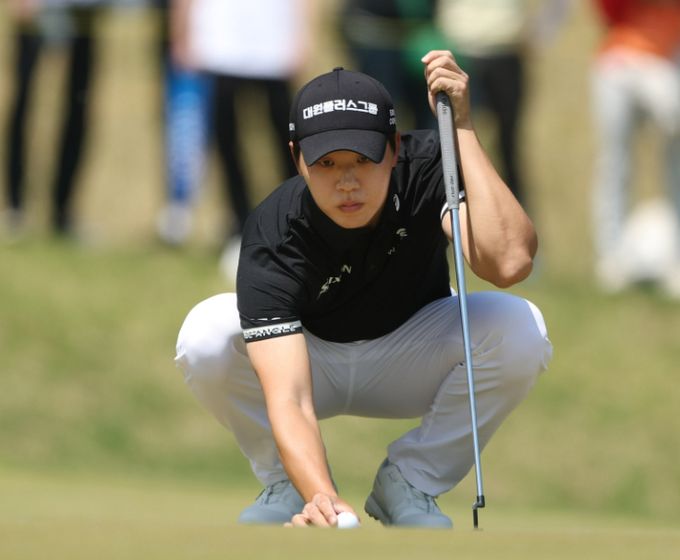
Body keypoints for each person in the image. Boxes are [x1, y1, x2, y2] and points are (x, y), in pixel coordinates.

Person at [174, 50, 552, 528]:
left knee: (520, 328)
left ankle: (409, 483)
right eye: (327, 163)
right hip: (313, 363)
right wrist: (324, 499)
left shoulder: (427, 167)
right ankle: (289, 485)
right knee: (206, 332)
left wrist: (461, 128)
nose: (347, 181)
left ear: (393, 149)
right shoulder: (273, 230)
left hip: (413, 355)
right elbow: (290, 397)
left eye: (363, 159)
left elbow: (510, 262)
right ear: (297, 159)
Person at [162, 0, 310, 276]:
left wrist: (301, 33)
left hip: (273, 43)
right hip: (220, 43)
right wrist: (181, 32)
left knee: (287, 142)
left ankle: (296, 224)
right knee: (227, 142)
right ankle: (241, 227)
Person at [435, 0, 571, 212]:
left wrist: (541, 34)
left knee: (509, 145)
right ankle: (452, 218)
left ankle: (515, 220)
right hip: (458, 52)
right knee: (452, 143)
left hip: (505, 51)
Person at [590, 0, 680, 296]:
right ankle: (612, 258)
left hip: (666, 61)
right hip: (619, 58)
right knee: (615, 162)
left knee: (675, 161)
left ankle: (675, 260)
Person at [3, 0, 104, 237]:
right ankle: (15, 207)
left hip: (84, 11)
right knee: (25, 100)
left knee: (79, 103)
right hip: (34, 10)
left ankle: (63, 211)